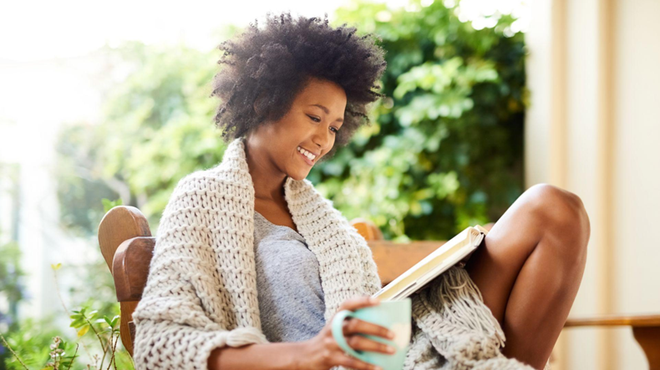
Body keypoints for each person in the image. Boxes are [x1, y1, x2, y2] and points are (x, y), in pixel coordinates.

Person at [134, 12, 590, 370]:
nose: (325, 139)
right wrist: (309, 355)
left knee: (553, 211)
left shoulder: (326, 225)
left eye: (334, 127)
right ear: (262, 100)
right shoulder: (203, 198)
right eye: (314, 117)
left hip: (406, 357)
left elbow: (373, 328)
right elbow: (158, 341)